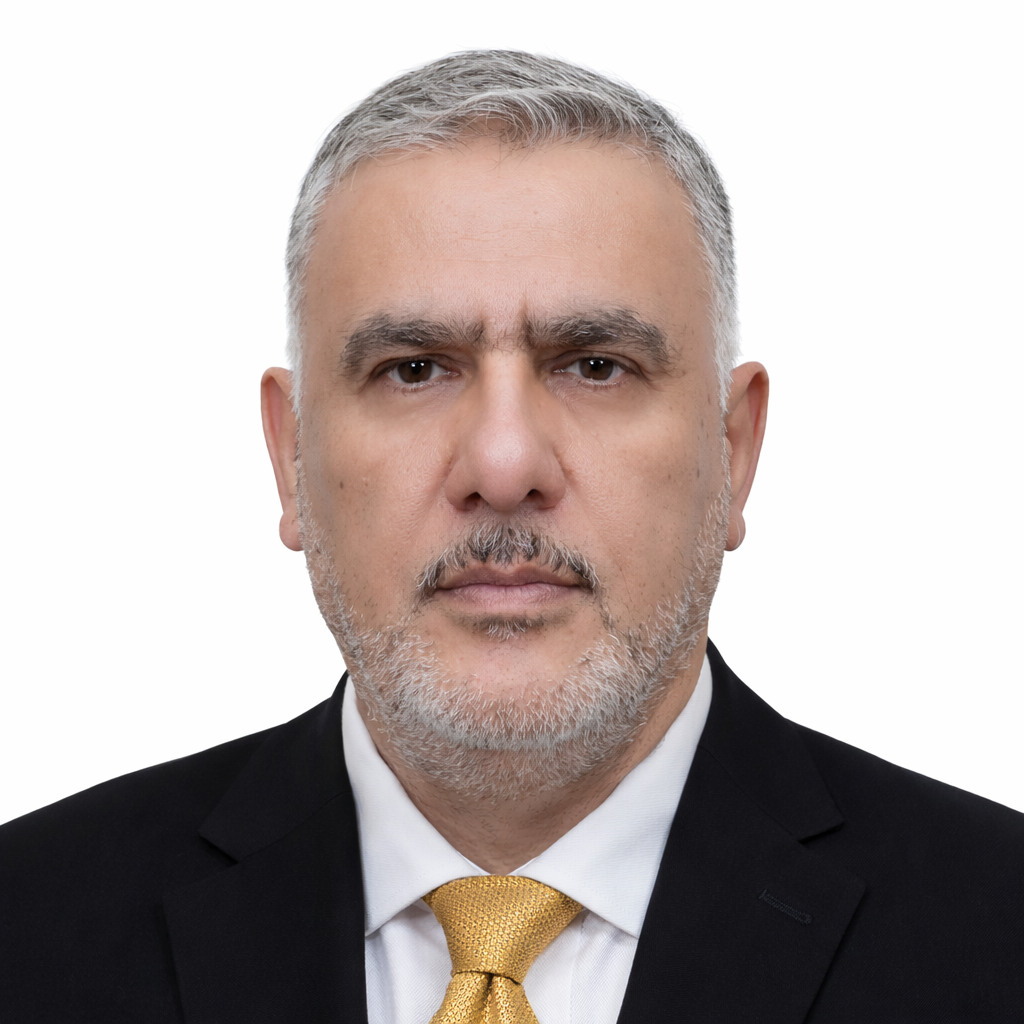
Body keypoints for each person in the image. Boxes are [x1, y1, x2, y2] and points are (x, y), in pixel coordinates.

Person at [0, 49, 1021, 1023]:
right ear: (291, 455)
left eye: (595, 365)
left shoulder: (996, 932)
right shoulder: (27, 930)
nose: (502, 465)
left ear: (734, 448)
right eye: (413, 368)